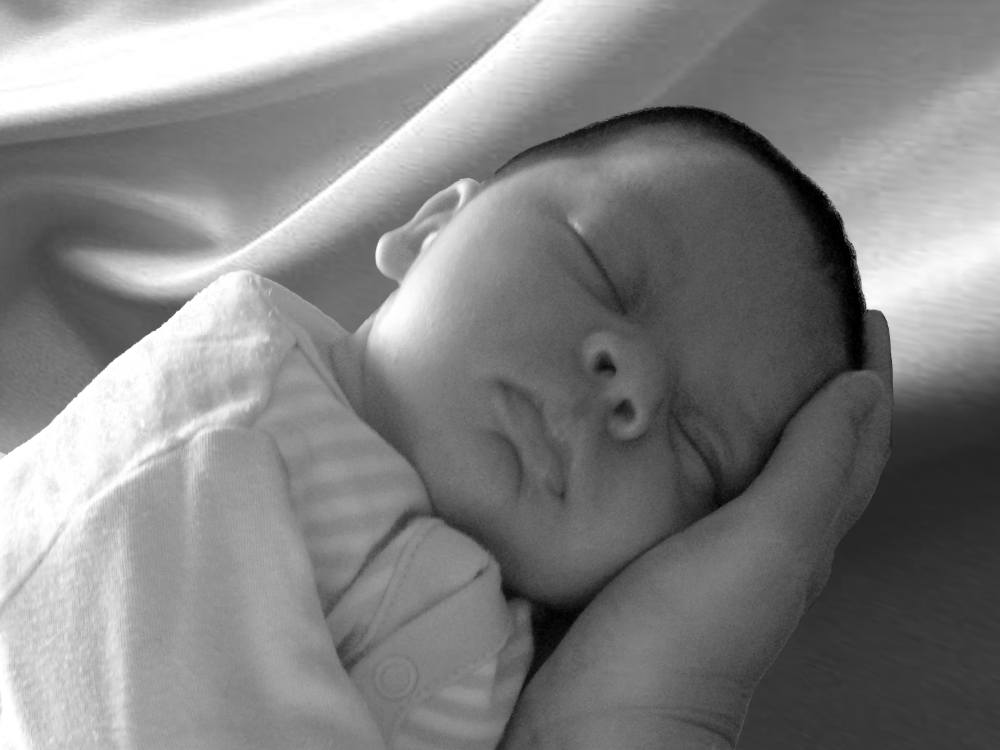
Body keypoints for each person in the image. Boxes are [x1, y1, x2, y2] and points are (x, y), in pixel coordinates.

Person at [0, 106, 893, 749]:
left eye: (698, 448)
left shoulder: (513, 664)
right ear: (434, 227)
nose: (634, 386)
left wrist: (648, 713)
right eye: (602, 266)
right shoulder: (221, 413)